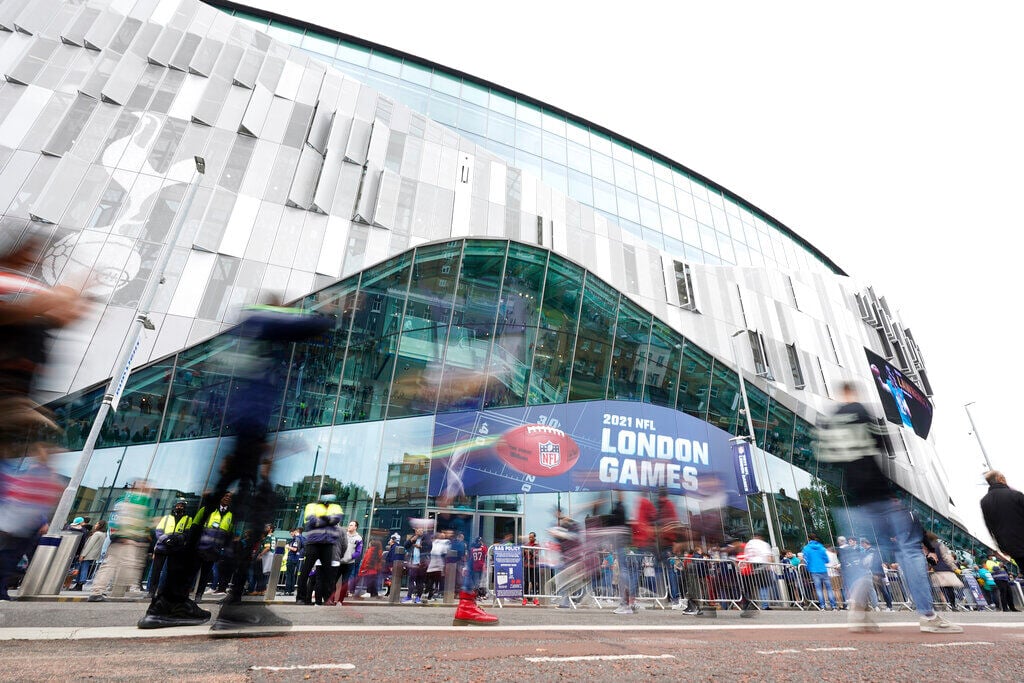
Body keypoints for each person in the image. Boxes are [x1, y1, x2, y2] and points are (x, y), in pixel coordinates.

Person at [139, 299, 331, 632]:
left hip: (241, 427)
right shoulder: (262, 320)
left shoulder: (246, 333)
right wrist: (330, 312)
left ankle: (170, 600)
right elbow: (311, 326)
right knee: (256, 513)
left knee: (221, 509)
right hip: (249, 427)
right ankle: (234, 606)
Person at [815, 381, 962, 634]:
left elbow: (822, 458)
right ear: (853, 393)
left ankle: (858, 610)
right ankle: (928, 616)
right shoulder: (862, 411)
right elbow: (885, 448)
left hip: (851, 499)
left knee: (865, 554)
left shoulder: (828, 422)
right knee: (909, 550)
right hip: (878, 493)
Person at [89, 482, 152, 602]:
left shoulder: (125, 499)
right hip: (126, 538)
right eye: (145, 486)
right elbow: (128, 519)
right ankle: (125, 589)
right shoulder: (134, 500)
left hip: (121, 537)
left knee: (115, 564)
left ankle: (98, 591)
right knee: (127, 564)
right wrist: (127, 535)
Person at [296, 491, 342, 606]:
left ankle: (328, 599)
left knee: (328, 573)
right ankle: (300, 598)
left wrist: (322, 519)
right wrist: (328, 520)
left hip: (328, 544)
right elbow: (312, 521)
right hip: (313, 543)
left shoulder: (336, 507)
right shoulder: (311, 506)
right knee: (306, 571)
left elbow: (336, 519)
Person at [980, 471, 1024, 571]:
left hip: (1012, 547)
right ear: (1000, 479)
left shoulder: (984, 502)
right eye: (1003, 477)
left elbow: (990, 527)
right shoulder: (1014, 494)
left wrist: (1001, 547)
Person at [148, 499, 191, 599]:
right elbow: (158, 531)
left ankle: (164, 592)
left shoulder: (188, 519)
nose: (179, 507)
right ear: (174, 506)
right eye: (178, 505)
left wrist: (177, 539)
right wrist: (165, 540)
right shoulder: (166, 518)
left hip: (176, 548)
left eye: (182, 505)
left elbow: (187, 533)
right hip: (162, 547)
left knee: (172, 572)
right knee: (156, 570)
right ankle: (151, 591)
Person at [194, 493, 233, 602]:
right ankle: (182, 594)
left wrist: (224, 550)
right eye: (225, 495)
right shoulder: (206, 509)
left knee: (205, 574)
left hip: (214, 550)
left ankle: (199, 595)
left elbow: (229, 535)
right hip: (200, 548)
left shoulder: (230, 515)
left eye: (230, 497)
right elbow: (195, 526)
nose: (227, 498)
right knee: (192, 572)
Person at [923, 532, 961, 611]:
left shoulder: (927, 547)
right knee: (949, 589)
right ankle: (953, 605)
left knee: (941, 589)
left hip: (937, 570)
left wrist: (930, 567)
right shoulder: (940, 545)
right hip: (946, 569)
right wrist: (955, 568)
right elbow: (946, 558)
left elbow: (928, 559)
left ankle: (936, 606)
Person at [803, 533, 837, 610]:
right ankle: (834, 606)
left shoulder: (806, 548)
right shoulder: (821, 547)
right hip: (823, 569)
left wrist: (809, 567)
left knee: (818, 589)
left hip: (814, 570)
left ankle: (822, 606)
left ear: (808, 539)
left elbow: (806, 560)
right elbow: (826, 559)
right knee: (829, 588)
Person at [332, 521, 363, 605]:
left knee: (344, 582)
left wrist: (350, 557)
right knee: (333, 580)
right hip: (339, 561)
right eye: (349, 525)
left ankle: (340, 601)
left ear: (356, 527)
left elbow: (358, 552)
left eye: (351, 525)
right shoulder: (343, 534)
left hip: (349, 563)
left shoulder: (358, 538)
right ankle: (332, 599)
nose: (349, 526)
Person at [860, 538, 893, 611]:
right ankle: (886, 605)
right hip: (872, 572)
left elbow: (876, 562)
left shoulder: (872, 551)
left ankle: (889, 606)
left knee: (882, 589)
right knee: (878, 589)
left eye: (862, 544)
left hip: (875, 572)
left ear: (865, 543)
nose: (862, 545)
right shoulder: (870, 551)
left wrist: (877, 573)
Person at [74, 521, 107, 591]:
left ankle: (79, 584)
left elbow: (89, 545)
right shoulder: (103, 534)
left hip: (88, 554)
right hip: (93, 554)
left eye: (97, 524)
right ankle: (79, 584)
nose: (95, 525)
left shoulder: (97, 534)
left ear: (100, 525)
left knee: (83, 568)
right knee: (84, 568)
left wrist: (83, 555)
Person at [283, 528, 304, 596]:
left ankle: (287, 590)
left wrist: (288, 547)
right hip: (295, 558)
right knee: (292, 575)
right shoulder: (300, 538)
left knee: (289, 574)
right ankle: (291, 590)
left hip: (292, 558)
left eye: (291, 533)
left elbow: (295, 549)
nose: (291, 534)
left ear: (295, 532)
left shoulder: (296, 539)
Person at [522, 531, 540, 605]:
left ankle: (535, 599)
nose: (530, 538)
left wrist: (529, 551)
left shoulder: (537, 545)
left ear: (534, 537)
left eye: (532, 537)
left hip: (534, 566)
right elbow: (523, 555)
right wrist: (523, 551)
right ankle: (525, 599)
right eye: (529, 537)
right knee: (526, 582)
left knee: (534, 582)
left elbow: (536, 555)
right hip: (526, 565)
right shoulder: (526, 544)